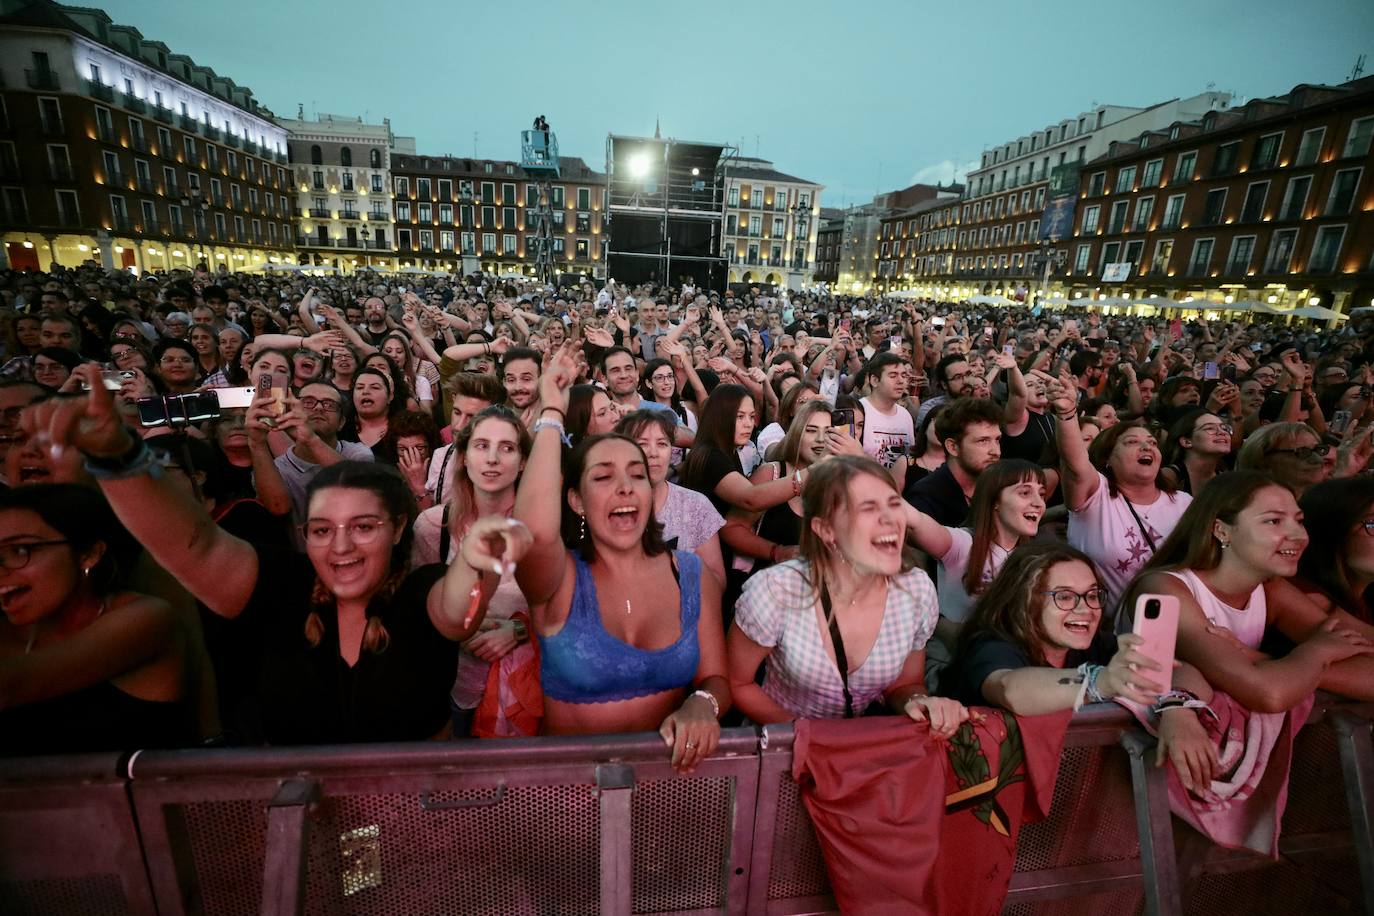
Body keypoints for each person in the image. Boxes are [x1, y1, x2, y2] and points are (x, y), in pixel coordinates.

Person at [28, 364, 517, 744]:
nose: (341, 545)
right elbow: (193, 544)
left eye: (363, 526)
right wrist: (117, 456)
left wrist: (479, 560)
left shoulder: (419, 590)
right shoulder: (282, 586)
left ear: (396, 529)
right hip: (303, 826)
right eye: (323, 529)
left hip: (411, 820)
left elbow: (460, 613)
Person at [512, 346, 728, 772]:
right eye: (604, 476)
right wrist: (552, 412)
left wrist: (703, 705)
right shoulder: (560, 580)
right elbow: (534, 535)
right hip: (568, 801)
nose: (626, 487)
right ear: (576, 500)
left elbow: (716, 678)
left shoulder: (690, 574)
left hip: (666, 790)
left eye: (637, 474)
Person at [726, 455, 968, 734]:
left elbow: (904, 684)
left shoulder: (915, 591)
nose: (891, 519)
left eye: (894, 504)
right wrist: (805, 734)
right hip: (785, 750)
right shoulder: (776, 591)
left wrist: (919, 702)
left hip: (862, 753)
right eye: (868, 508)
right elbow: (737, 683)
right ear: (826, 530)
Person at [938, 542, 1215, 784]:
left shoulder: (1097, 645)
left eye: (1093, 595)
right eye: (1065, 596)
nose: (1085, 609)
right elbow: (1010, 688)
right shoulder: (991, 645)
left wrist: (1177, 709)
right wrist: (1099, 681)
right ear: (1023, 599)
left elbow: (1185, 671)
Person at [1125, 471, 1374, 712]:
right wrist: (1316, 654)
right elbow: (1268, 694)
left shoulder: (1270, 589)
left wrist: (1262, 660)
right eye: (1274, 521)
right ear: (1221, 530)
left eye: (1299, 520)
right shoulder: (1163, 589)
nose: (1299, 535)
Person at [0, 484, 193, 754]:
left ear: (88, 553)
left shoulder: (145, 619)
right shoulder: (11, 631)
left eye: (21, 550)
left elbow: (12, 686)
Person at [412, 406, 532, 735]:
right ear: (463, 456)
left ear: (522, 462)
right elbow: (417, 610)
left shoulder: (542, 530)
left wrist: (519, 631)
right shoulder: (433, 526)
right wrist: (459, 627)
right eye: (481, 446)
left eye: (507, 448)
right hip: (456, 690)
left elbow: (564, 610)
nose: (492, 458)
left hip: (525, 694)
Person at [1049, 369, 1191, 605]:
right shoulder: (1096, 498)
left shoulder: (1185, 503)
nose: (1146, 447)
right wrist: (1066, 413)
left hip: (1178, 627)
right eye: (1132, 442)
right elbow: (1075, 464)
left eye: (1152, 443)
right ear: (1107, 458)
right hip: (1110, 634)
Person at [903, 459, 1047, 689]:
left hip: (1009, 669)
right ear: (995, 501)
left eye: (1041, 494)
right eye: (1025, 493)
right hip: (953, 667)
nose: (1038, 503)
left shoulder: (1036, 557)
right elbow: (917, 521)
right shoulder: (963, 543)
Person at [616, 409, 726, 586]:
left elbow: (717, 582)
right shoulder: (609, 506)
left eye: (662, 444)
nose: (654, 453)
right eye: (642, 444)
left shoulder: (696, 506)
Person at [903, 397, 1004, 526]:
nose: (996, 451)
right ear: (953, 447)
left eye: (997, 440)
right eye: (982, 441)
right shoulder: (926, 498)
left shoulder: (1000, 489)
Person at [857, 352, 913, 489]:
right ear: (874, 380)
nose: (901, 381)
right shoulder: (859, 411)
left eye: (903, 375)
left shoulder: (905, 415)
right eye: (893, 376)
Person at [1160, 409, 1232, 495]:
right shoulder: (1169, 477)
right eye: (1210, 428)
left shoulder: (1226, 478)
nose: (1222, 432)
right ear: (1186, 442)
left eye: (1224, 428)